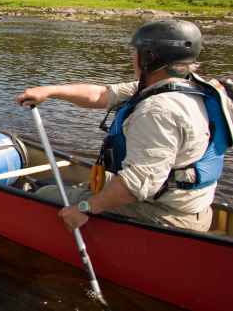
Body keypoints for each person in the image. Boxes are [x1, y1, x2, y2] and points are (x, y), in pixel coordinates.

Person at [17, 20, 232, 232]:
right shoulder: (187, 87)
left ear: (150, 58)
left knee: (46, 196)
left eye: (136, 52)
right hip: (192, 207)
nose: (133, 57)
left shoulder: (157, 111)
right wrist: (49, 91)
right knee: (101, 181)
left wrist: (84, 209)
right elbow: (102, 95)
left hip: (164, 214)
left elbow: (135, 183)